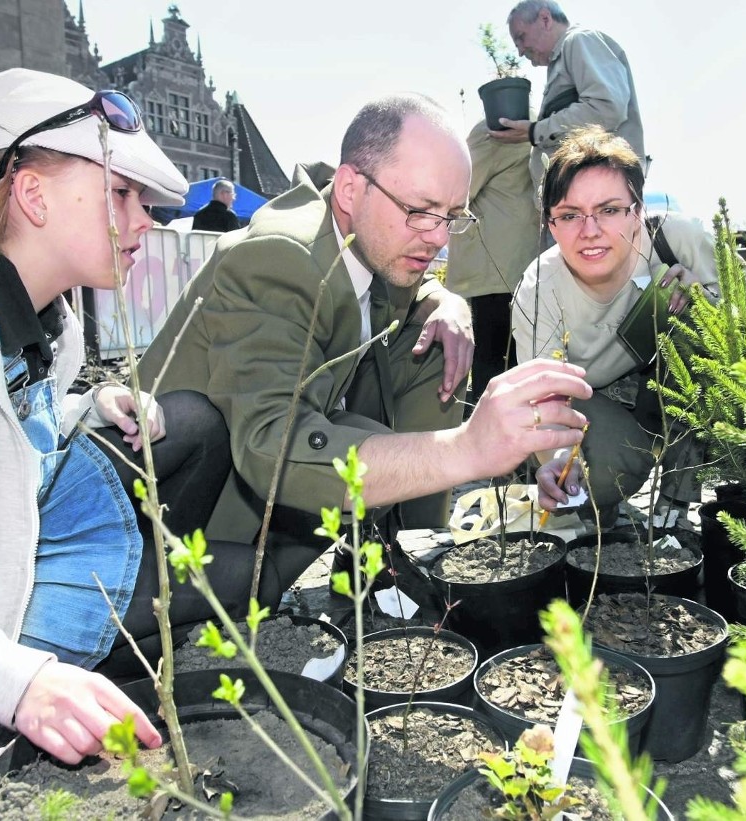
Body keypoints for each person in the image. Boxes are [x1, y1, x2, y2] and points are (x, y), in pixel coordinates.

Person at [137, 93, 593, 589]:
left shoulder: (368, 236)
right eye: (421, 211)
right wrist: (465, 450)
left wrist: (447, 301)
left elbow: (414, 283)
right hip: (190, 521)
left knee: (435, 341)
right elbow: (272, 446)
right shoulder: (280, 258)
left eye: (452, 216)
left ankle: (410, 555)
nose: (439, 238)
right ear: (351, 189)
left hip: (262, 462)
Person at [0, 68, 282, 766]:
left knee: (189, 423)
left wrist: (89, 402)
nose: (147, 220)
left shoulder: (54, 320)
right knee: (250, 578)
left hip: (30, 552)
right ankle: (99, 653)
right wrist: (20, 683)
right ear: (32, 195)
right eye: (121, 194)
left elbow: (16, 433)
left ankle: (131, 620)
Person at [512, 125, 719, 527]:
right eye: (570, 215)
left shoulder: (677, 239)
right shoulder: (538, 289)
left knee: (697, 318)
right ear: (550, 225)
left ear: (638, 210)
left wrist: (706, 304)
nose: (590, 231)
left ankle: (676, 500)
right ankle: (599, 507)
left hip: (665, 381)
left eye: (609, 210)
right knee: (599, 474)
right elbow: (545, 397)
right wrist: (557, 463)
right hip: (592, 396)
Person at [491, 0, 645, 195]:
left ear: (545, 19)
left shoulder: (579, 41)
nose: (520, 51)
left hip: (596, 198)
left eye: (521, 37)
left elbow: (606, 108)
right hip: (580, 202)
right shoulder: (562, 60)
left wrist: (536, 131)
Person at [445, 119, 541, 406]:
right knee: (515, 362)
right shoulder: (538, 126)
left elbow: (458, 189)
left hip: (491, 269)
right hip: (524, 265)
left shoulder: (493, 130)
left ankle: (488, 441)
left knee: (489, 363)